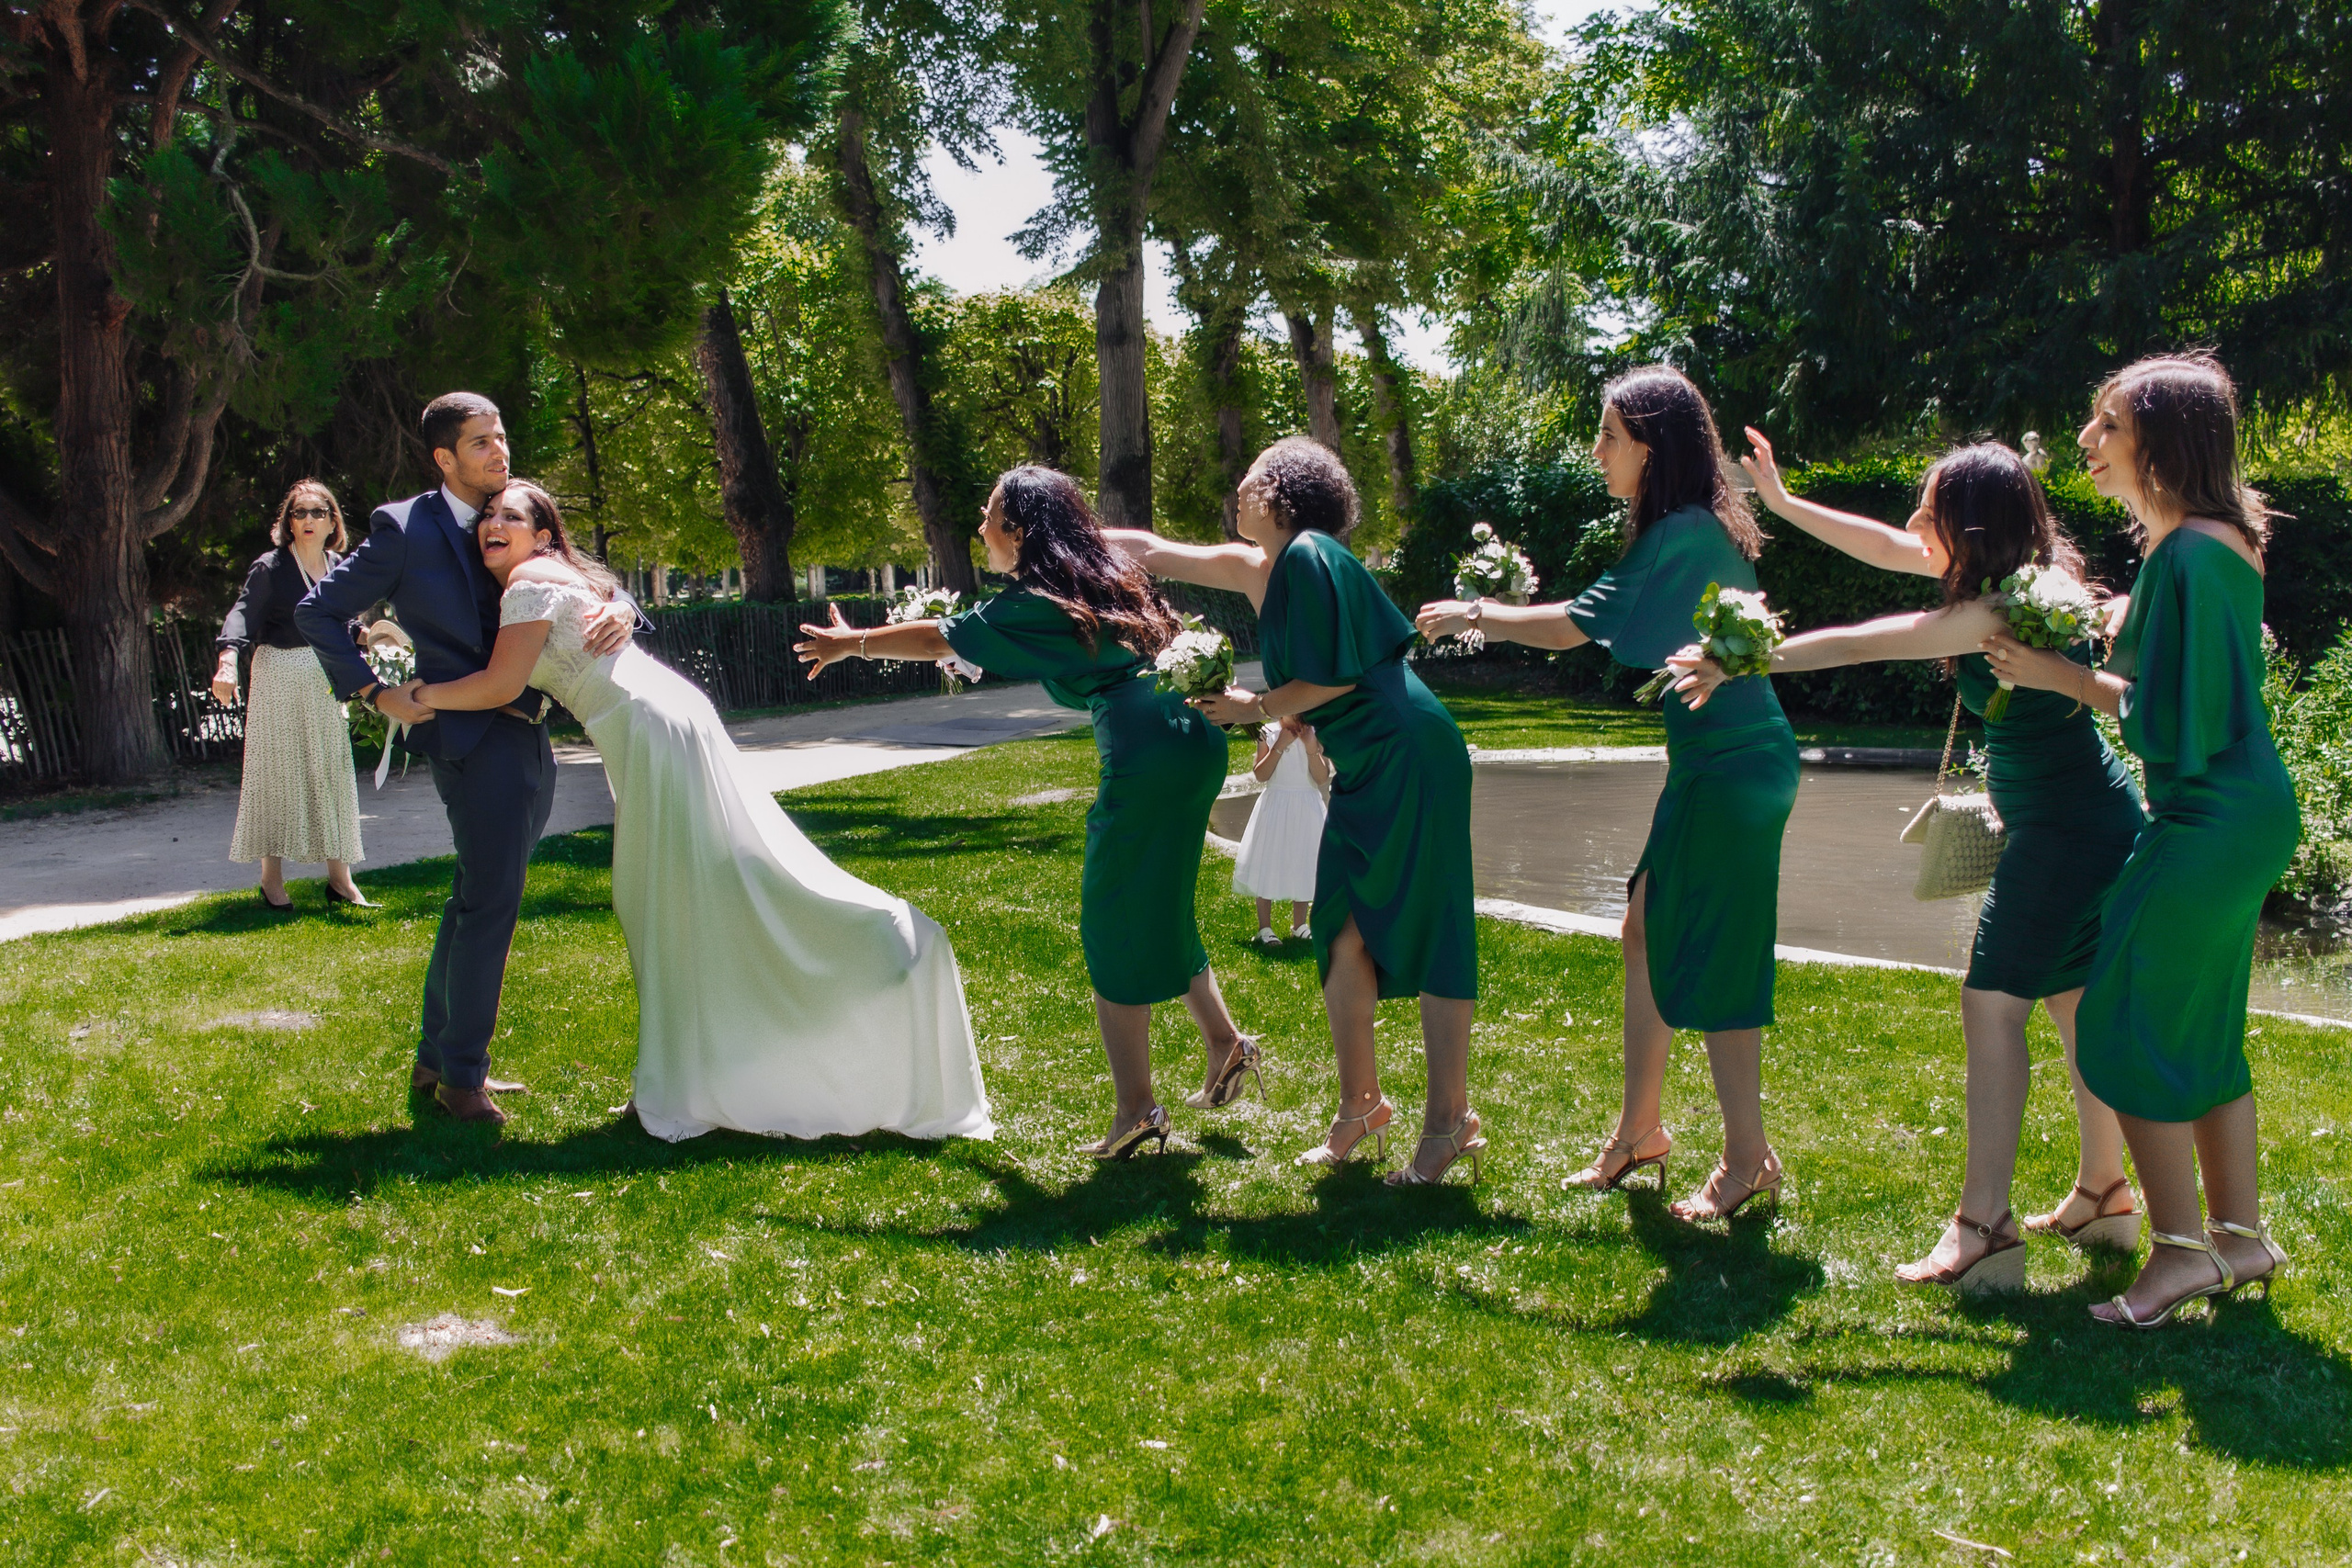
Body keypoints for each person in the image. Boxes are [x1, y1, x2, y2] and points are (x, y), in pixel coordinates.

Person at [1672, 440, 2145, 1287]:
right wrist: (1783, 504)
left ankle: (1984, 1227)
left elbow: (1866, 643)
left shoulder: (1996, 609)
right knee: (2071, 996)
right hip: (2085, 820)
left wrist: (1747, 655)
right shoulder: (2021, 579)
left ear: (1974, 526)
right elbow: (1885, 546)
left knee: (1990, 1005)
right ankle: (2104, 1192)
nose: (1915, 522)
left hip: (2068, 832)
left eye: (1932, 509)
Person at [390, 480, 992, 1144]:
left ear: (542, 536)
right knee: (687, 891)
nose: (493, 524)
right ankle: (691, 1069)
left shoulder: (528, 581)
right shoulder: (553, 578)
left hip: (647, 724)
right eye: (488, 516)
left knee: (673, 899)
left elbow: (502, 684)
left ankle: (871, 953)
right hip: (658, 718)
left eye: (512, 516)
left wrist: (415, 696)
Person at [1418, 367, 1798, 1220]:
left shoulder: (1683, 532)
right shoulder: (1689, 525)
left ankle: (1747, 1158)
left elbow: (1573, 624)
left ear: (1650, 449)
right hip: (1721, 760)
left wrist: (1476, 612)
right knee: (1642, 931)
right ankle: (1639, 1131)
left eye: (1609, 436)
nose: (1597, 451)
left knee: (1716, 952)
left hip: (1732, 764)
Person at [795, 466, 1255, 1157]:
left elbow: (938, 638)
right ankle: (1226, 1045)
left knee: (1113, 918)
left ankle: (1136, 1109)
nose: (980, 526)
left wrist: (849, 642)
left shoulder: (1042, 594)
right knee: (1160, 904)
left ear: (1018, 528)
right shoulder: (1100, 575)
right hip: (1191, 735)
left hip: (1147, 754)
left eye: (989, 514)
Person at [1984, 354, 2299, 1326]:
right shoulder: (2217, 543)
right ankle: (2239, 1239)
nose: (2088, 440)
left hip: (2206, 815)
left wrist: (2057, 675)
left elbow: (2168, 718)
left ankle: (2177, 1256)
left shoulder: (2186, 555)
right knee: (2202, 1027)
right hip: (2242, 811)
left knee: (2121, 1018)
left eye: (2110, 424)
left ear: (2165, 440)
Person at [1109, 438, 1483, 1186]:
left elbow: (1336, 678)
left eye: (1250, 476)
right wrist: (1062, 537)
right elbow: (1152, 550)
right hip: (1366, 764)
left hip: (1408, 755)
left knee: (1435, 927)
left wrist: (1255, 706)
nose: (1237, 486)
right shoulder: (1266, 567)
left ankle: (1449, 1122)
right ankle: (1359, 1109)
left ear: (1279, 491)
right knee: (1340, 932)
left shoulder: (1313, 555)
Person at [296, 392, 638, 1126]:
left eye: (502, 436)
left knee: (471, 901)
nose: (499, 451)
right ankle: (462, 1080)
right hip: (472, 742)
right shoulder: (403, 529)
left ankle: (438, 1060)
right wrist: (374, 692)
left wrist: (623, 609)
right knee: (489, 907)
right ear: (443, 457)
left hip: (530, 734)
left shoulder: (511, 515)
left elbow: (577, 571)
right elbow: (316, 610)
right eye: (482, 442)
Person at [211, 480, 368, 909]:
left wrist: (371, 637)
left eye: (318, 512)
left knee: (332, 772)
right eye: (300, 513)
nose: (309, 520)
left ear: (333, 521)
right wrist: (227, 660)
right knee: (276, 775)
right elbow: (242, 615)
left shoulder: (338, 565)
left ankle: (341, 881)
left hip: (324, 681)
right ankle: (271, 881)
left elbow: (344, 622)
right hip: (278, 676)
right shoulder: (270, 567)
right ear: (289, 523)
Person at [1234, 716, 1329, 944]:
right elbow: (1261, 775)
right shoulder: (1268, 732)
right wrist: (1279, 745)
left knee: (1304, 859)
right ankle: (1264, 927)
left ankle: (1300, 924)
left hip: (1307, 805)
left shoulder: (1316, 731)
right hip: (1276, 805)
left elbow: (1321, 777)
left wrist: (1310, 747)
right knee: (1269, 859)